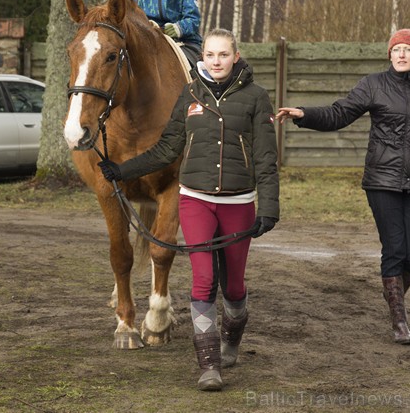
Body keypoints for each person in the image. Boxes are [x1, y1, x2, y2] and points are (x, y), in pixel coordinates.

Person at [98, 29, 279, 391]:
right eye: (210, 55)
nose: (215, 61)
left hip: (238, 203)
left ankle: (231, 338)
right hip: (195, 200)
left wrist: (269, 207)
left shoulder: (257, 98)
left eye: (223, 55)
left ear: (236, 56)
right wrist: (123, 171)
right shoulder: (191, 93)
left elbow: (266, 158)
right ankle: (209, 364)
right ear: (204, 58)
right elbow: (167, 149)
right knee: (202, 281)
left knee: (235, 287)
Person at [276, 28, 410, 345]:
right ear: (389, 54)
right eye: (395, 49)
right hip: (381, 180)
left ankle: (393, 298)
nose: (401, 54)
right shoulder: (373, 84)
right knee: (395, 250)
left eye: (407, 49)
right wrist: (304, 114)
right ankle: (399, 321)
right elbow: (339, 113)